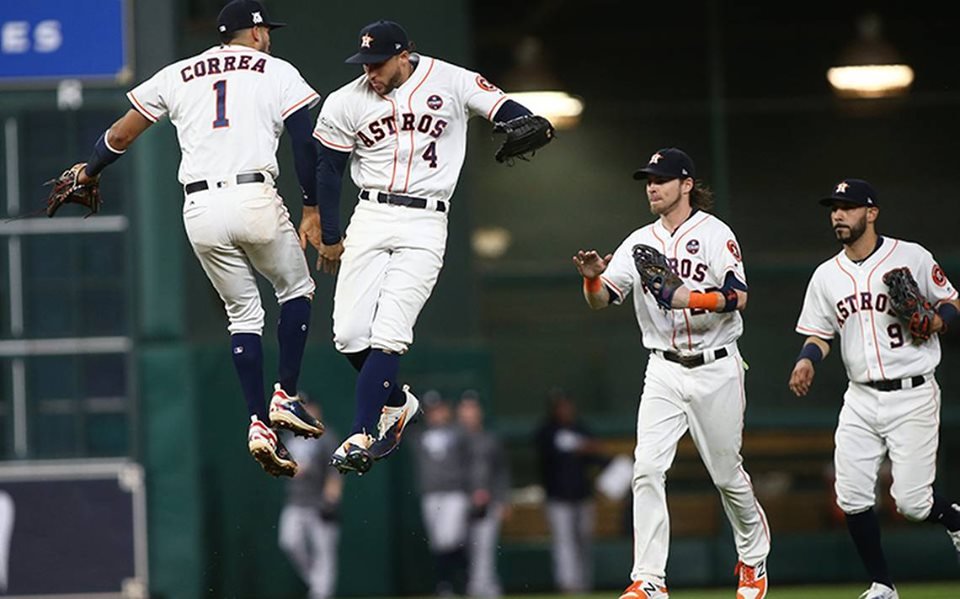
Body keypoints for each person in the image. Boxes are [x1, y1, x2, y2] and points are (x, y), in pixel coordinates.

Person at [58, 0, 325, 477]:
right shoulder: (274, 69)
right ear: (257, 33)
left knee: (243, 314)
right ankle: (285, 394)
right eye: (267, 30)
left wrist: (90, 167)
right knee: (296, 290)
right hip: (253, 195)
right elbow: (304, 138)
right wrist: (312, 206)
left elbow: (123, 132)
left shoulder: (179, 73)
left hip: (199, 208)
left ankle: (256, 423)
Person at [307, 20, 553, 475]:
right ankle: (398, 402)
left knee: (389, 334)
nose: (371, 73)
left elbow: (504, 107)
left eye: (378, 63)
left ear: (405, 55)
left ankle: (363, 431)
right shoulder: (346, 101)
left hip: (426, 220)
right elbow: (329, 170)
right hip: (372, 213)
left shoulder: (451, 80)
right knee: (347, 333)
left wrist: (521, 120)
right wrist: (334, 234)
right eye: (365, 64)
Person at [573, 148, 771, 599]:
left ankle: (753, 558)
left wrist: (691, 299)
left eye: (661, 179)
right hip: (663, 368)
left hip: (716, 365)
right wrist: (590, 280)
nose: (652, 186)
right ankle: (649, 580)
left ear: (686, 185)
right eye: (648, 179)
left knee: (726, 475)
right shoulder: (638, 241)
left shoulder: (716, 234)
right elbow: (604, 299)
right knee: (646, 467)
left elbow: (739, 297)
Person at [788, 179, 960, 599]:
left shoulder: (911, 256)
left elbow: (952, 302)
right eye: (834, 208)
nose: (838, 215)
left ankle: (954, 519)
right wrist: (807, 359)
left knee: (914, 504)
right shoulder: (826, 275)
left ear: (872, 212)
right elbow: (818, 333)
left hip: (913, 393)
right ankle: (882, 584)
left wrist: (938, 322)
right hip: (861, 397)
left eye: (847, 207)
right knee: (850, 494)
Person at [534, 389, 605, 594]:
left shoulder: (581, 428)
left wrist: (585, 447)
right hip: (557, 497)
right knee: (563, 543)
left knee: (583, 542)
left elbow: (597, 452)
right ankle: (568, 585)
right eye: (560, 407)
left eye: (567, 406)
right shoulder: (546, 431)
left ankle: (583, 584)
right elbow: (543, 454)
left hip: (582, 496)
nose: (565, 410)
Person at [278, 396, 342, 599]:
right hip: (295, 501)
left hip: (318, 502)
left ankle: (321, 593)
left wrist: (331, 498)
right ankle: (316, 582)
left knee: (324, 552)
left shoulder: (326, 436)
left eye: (309, 407)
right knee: (289, 542)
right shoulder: (290, 436)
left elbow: (336, 470)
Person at [413, 391, 471, 596]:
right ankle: (446, 584)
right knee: (439, 541)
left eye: (439, 409)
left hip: (455, 492)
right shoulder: (420, 434)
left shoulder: (458, 432)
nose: (435, 414)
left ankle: (460, 580)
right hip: (430, 493)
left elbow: (471, 461)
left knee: (450, 537)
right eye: (431, 410)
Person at [457, 390, 510, 598]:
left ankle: (483, 590)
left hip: (489, 500)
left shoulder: (490, 438)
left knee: (485, 549)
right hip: (459, 500)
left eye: (473, 408)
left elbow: (501, 471)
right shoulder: (453, 439)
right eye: (466, 408)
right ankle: (457, 586)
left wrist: (502, 499)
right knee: (456, 546)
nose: (470, 413)